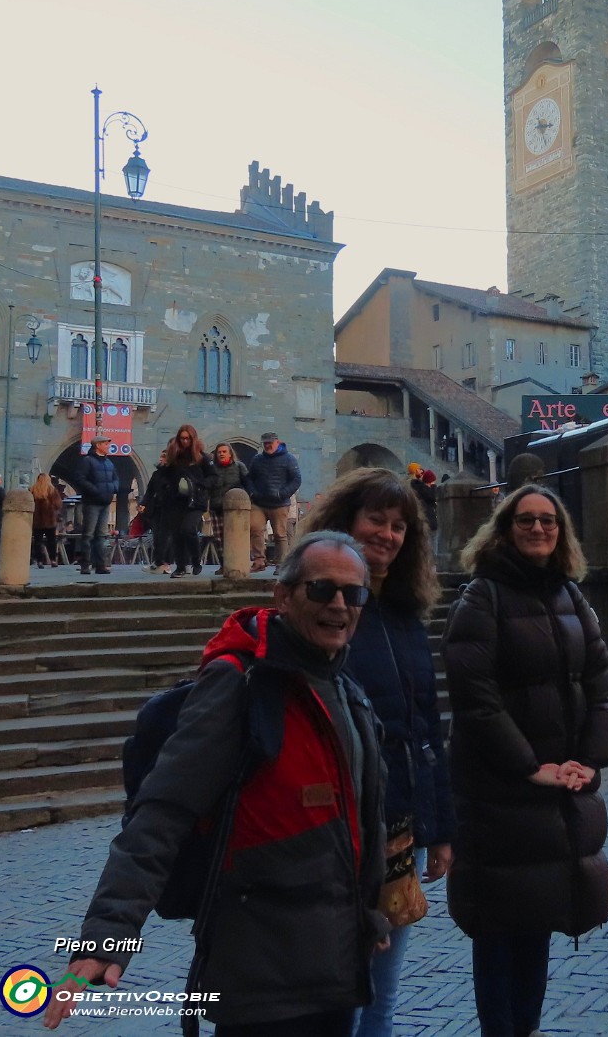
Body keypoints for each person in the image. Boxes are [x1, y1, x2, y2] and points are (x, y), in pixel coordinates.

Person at [42, 531, 389, 1035]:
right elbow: (164, 809)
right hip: (260, 973)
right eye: (322, 590)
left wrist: (369, 915)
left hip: (336, 967)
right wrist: (105, 938)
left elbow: (363, 817)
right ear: (283, 595)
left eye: (353, 594)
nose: (339, 605)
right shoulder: (239, 682)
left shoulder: (347, 689)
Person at [444, 485, 608, 1037]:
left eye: (548, 521)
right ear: (504, 528)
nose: (538, 529)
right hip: (500, 790)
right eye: (525, 521)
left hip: (556, 787)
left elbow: (600, 685)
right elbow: (475, 696)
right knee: (499, 926)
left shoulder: (572, 596)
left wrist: (589, 760)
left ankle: (529, 1028)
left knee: (538, 916)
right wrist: (527, 766)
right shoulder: (482, 597)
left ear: (560, 530)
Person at [299, 468, 455, 1037]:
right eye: (376, 521)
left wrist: (440, 830)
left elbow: (425, 731)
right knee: (342, 994)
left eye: (399, 526)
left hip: (400, 832)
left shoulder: (409, 616)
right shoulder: (322, 609)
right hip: (338, 835)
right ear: (346, 521)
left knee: (382, 994)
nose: (388, 535)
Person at [247, 431, 302, 572]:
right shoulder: (257, 460)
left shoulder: (289, 459)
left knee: (279, 534)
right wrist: (253, 492)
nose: (267, 446)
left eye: (269, 443)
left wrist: (282, 494)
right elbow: (249, 478)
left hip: (279, 504)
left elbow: (296, 480)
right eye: (265, 443)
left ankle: (282, 563)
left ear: (277, 442)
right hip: (259, 502)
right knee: (256, 529)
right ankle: (259, 560)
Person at [162, 425, 211, 577]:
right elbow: (166, 475)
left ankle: (196, 560)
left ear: (193, 439)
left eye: (187, 438)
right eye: (182, 438)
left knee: (188, 529)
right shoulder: (174, 456)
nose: (184, 441)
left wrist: (202, 485)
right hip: (176, 500)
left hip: (195, 501)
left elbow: (213, 476)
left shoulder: (202, 457)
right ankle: (181, 566)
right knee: (177, 534)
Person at [72, 434, 118, 575]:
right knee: (88, 534)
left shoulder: (109, 463)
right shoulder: (88, 461)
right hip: (92, 502)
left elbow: (116, 478)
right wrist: (95, 490)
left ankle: (100, 565)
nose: (108, 447)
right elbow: (80, 478)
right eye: (106, 444)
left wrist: (113, 488)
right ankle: (85, 564)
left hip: (105, 502)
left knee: (101, 535)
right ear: (98, 445)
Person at [206, 442, 250, 567]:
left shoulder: (239, 466)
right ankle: (223, 564)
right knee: (219, 539)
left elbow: (247, 483)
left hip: (235, 509)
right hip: (216, 507)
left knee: (234, 538)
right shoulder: (211, 468)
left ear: (230, 454)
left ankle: (237, 563)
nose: (221, 454)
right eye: (219, 452)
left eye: (224, 451)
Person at [30, 472, 63, 567]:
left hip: (36, 520)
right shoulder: (52, 490)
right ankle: (53, 560)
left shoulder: (32, 490)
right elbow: (58, 505)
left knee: (37, 541)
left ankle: (39, 561)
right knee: (51, 541)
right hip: (50, 520)